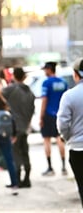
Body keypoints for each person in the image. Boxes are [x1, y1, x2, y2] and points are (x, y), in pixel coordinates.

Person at [2, 67, 35, 188]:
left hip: (14, 127)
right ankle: (26, 179)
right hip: (25, 126)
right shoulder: (30, 92)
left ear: (14, 76)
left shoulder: (11, 89)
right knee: (25, 152)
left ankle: (16, 180)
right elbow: (32, 110)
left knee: (15, 153)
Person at [57, 57, 83, 210]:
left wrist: (67, 137)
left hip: (78, 149)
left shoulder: (69, 96)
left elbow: (62, 123)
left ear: (76, 74)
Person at [40, 61, 68, 176]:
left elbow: (44, 100)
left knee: (47, 140)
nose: (44, 72)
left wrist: (41, 117)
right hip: (60, 113)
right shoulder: (63, 82)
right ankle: (63, 167)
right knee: (59, 139)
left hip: (48, 114)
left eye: (45, 69)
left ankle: (50, 167)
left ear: (49, 69)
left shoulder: (46, 83)